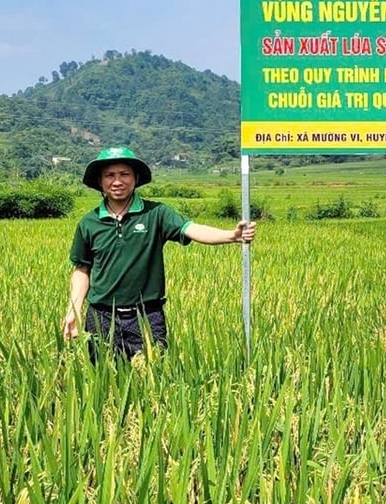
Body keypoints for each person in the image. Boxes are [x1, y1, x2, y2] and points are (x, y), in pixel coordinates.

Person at [62, 146, 256, 358]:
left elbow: (191, 229)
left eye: (124, 174)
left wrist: (231, 236)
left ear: (135, 178)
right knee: (102, 379)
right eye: (110, 175)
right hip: (100, 316)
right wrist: (74, 310)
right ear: (100, 181)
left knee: (151, 378)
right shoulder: (89, 223)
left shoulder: (156, 214)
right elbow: (82, 269)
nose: (117, 181)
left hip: (146, 315)